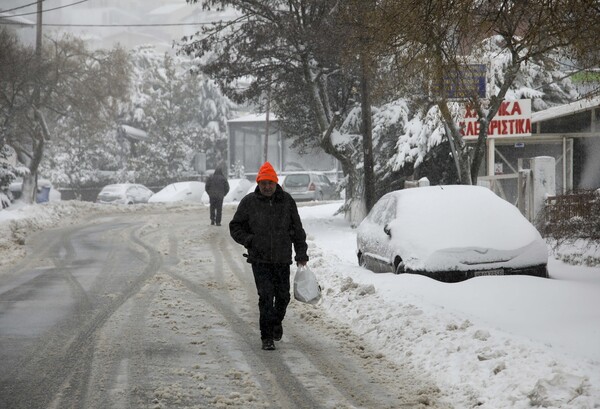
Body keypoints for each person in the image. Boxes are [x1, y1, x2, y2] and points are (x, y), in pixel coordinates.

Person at [229, 161, 309, 351]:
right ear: (258, 183)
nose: (266, 187)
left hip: (282, 259)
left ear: (275, 183)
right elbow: (235, 227)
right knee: (266, 297)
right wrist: (249, 240)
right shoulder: (249, 202)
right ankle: (267, 337)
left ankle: (275, 323)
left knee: (283, 297)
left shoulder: (287, 201)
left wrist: (301, 253)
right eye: (263, 183)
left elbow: (297, 229)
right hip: (260, 259)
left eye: (270, 183)